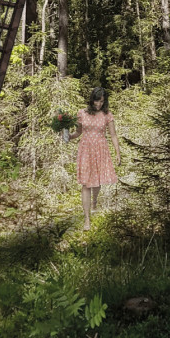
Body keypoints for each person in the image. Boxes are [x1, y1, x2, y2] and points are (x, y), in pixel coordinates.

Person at [68, 87, 121, 231]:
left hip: (100, 149)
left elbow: (113, 135)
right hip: (85, 150)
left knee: (97, 182)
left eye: (102, 101)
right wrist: (68, 136)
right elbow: (78, 132)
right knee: (86, 184)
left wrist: (117, 152)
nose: (99, 104)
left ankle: (95, 201)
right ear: (92, 99)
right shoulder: (82, 113)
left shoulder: (107, 115)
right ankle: (87, 219)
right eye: (97, 101)